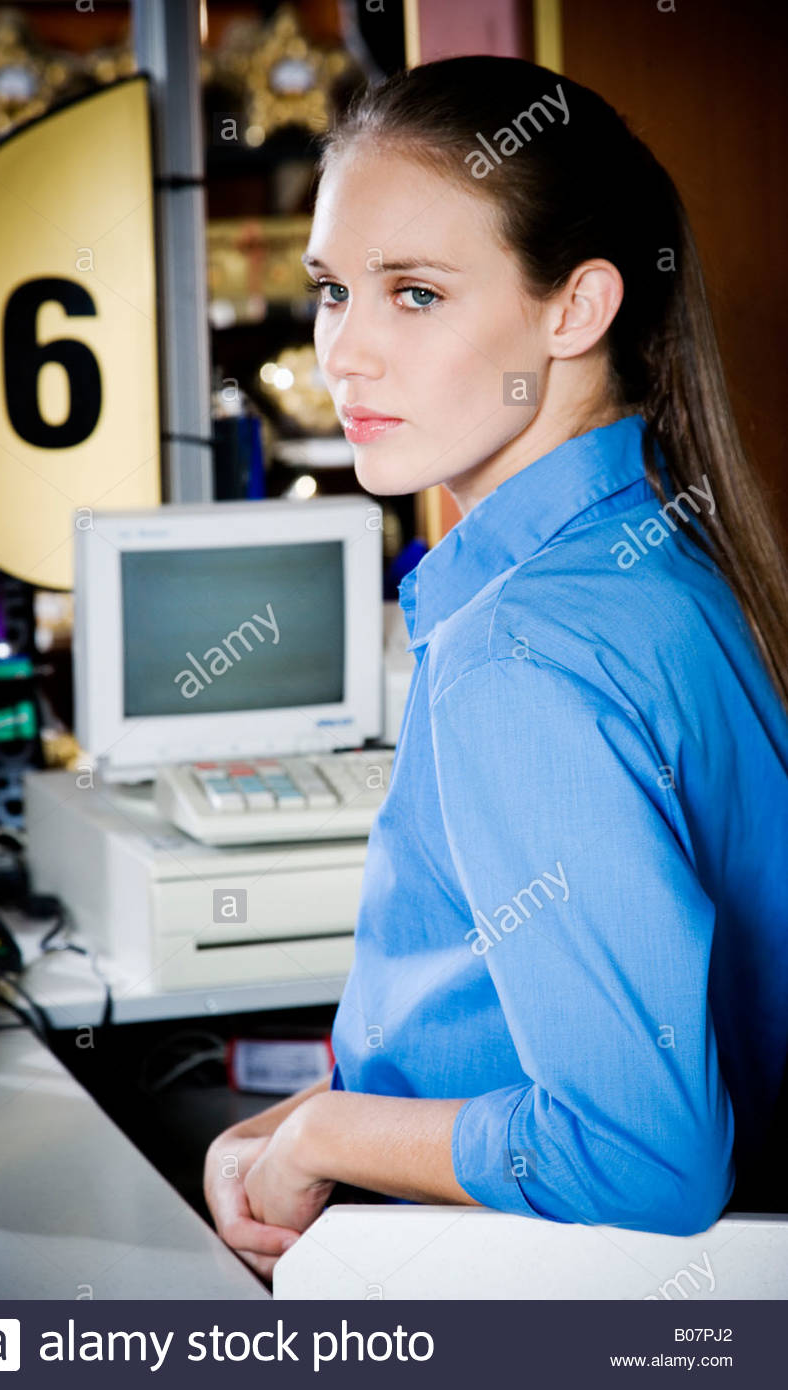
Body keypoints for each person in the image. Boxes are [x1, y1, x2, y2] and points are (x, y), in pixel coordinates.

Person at [204, 55, 788, 1285]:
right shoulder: (671, 561)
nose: (342, 354)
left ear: (571, 312)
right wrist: (324, 1116)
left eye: (413, 293)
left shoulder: (519, 657)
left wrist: (325, 1129)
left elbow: (645, 1153)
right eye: (331, 291)